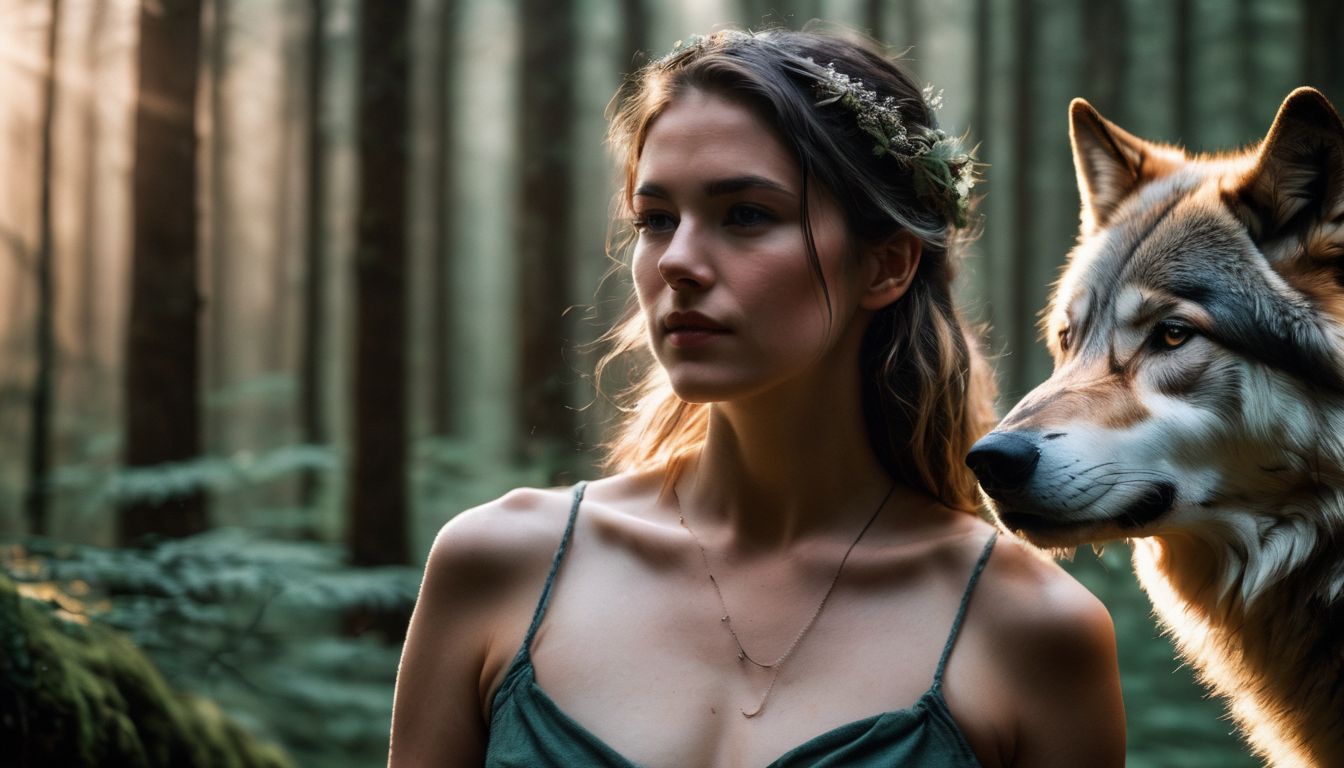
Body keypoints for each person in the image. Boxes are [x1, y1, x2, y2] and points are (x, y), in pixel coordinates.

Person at [388, 27, 1125, 768]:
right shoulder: (499, 564)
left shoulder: (1031, 631)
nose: (677, 261)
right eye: (656, 220)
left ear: (886, 265)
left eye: (745, 215)